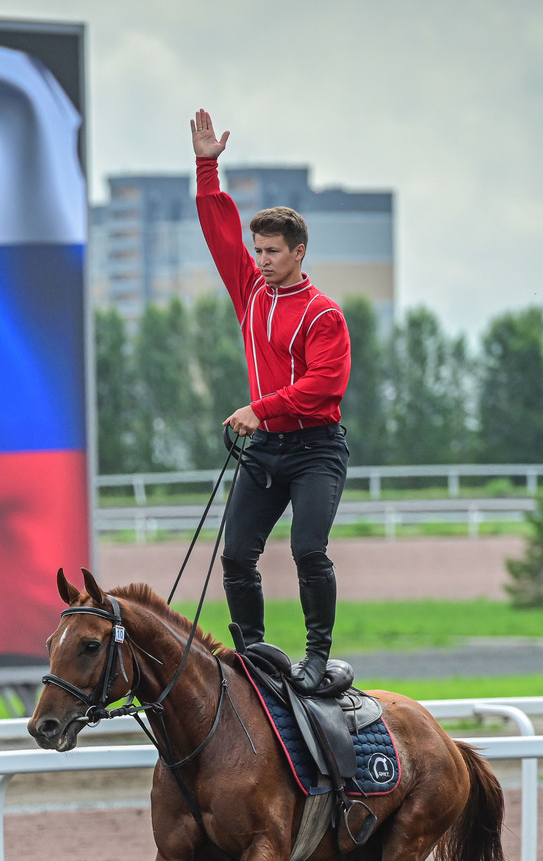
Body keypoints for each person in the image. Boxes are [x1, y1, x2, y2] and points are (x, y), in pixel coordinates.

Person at [191, 108, 351, 694]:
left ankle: (316, 656)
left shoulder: (324, 313)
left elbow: (324, 387)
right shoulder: (250, 291)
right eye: (257, 251)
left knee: (308, 548)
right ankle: (254, 653)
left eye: (273, 252)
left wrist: (261, 407)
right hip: (266, 449)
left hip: (315, 450)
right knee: (236, 555)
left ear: (300, 251)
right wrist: (208, 166)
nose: (261, 261)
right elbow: (217, 228)